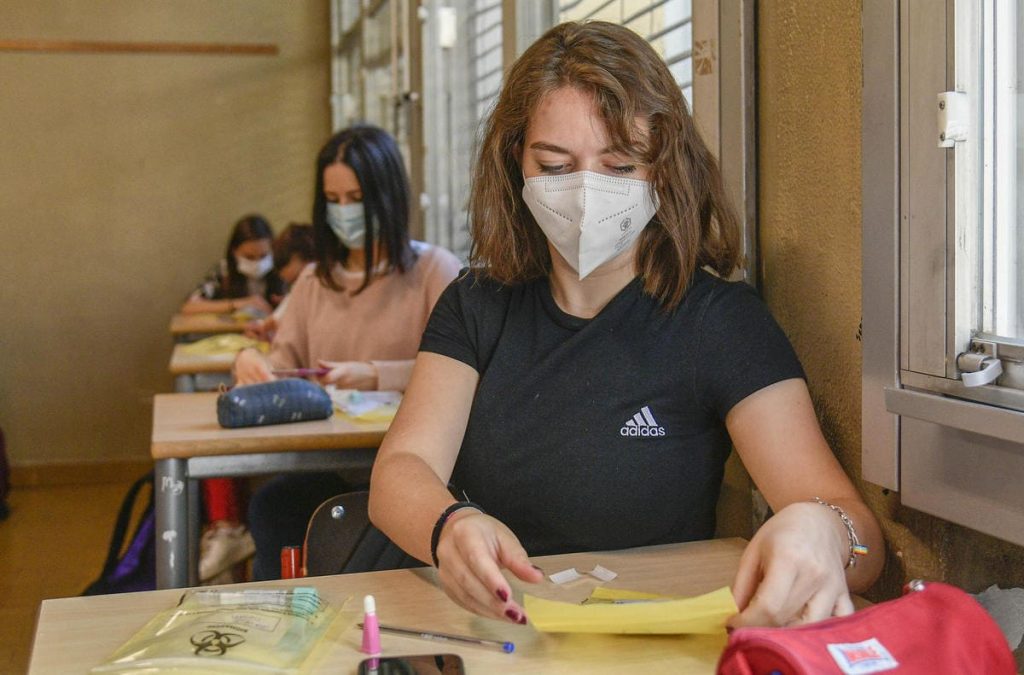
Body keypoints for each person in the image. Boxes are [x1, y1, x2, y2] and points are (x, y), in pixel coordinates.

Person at [369, 21, 883, 628]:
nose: (587, 194)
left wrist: (825, 529)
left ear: (662, 168)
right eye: (556, 165)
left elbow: (860, 537)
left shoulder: (717, 322)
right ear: (517, 163)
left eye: (618, 167)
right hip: (495, 631)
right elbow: (400, 472)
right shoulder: (477, 304)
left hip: (639, 634)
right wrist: (449, 524)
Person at [236, 125, 462, 579]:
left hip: (420, 470)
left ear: (386, 196)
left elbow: (468, 373)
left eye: (356, 198)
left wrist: (375, 374)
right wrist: (251, 363)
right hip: (332, 467)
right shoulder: (315, 281)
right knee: (272, 508)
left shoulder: (436, 271)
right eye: (333, 201)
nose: (345, 213)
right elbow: (281, 365)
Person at [180, 214, 284, 316]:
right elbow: (189, 306)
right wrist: (236, 304)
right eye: (249, 257)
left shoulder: (282, 270)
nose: (258, 263)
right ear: (234, 252)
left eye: (263, 256)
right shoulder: (224, 269)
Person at [246, 223, 316, 341]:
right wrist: (264, 330)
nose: (298, 288)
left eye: (299, 279)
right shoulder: (294, 293)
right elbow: (273, 324)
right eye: (292, 284)